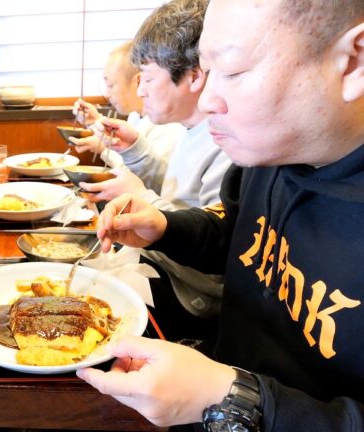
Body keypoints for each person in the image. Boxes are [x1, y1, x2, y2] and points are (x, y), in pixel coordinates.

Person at [82, 0, 364, 430]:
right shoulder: (265, 160)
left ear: (354, 61)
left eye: (232, 71)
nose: (208, 98)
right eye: (207, 72)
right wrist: (164, 227)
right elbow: (236, 237)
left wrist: (233, 398)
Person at [83, 0, 231, 341]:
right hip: (163, 262)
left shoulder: (227, 143)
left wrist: (141, 197)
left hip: (192, 295)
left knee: (87, 308)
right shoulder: (189, 130)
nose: (141, 90)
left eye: (147, 77)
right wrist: (135, 150)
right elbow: (175, 193)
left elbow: (217, 267)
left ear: (194, 76)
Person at [72, 41, 185, 194]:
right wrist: (95, 121)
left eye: (111, 85)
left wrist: (103, 148)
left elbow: (151, 184)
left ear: (139, 81)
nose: (106, 93)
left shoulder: (168, 126)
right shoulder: (135, 115)